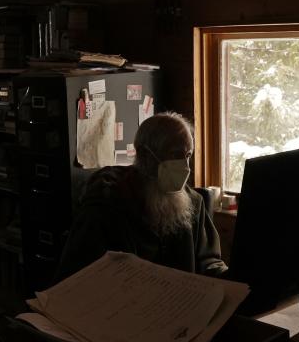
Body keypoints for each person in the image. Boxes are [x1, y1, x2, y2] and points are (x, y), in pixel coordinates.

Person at [55, 111, 228, 281]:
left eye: (188, 155)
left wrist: (233, 278)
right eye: (176, 154)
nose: (185, 166)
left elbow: (208, 262)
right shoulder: (106, 205)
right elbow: (80, 277)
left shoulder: (194, 204)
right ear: (146, 156)